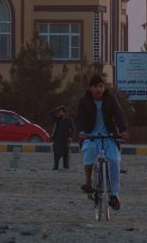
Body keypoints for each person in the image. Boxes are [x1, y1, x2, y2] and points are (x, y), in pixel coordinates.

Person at [75, 74, 129, 211]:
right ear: (90, 88)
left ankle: (114, 195)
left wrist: (123, 130)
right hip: (91, 135)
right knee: (89, 152)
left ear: (104, 87)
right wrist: (81, 132)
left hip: (109, 136)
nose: (98, 89)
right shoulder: (84, 101)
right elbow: (79, 118)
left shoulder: (110, 99)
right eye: (95, 87)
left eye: (101, 86)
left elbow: (119, 114)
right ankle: (88, 181)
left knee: (114, 161)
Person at [50, 106, 75, 171]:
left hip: (65, 140)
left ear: (64, 113)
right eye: (59, 112)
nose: (59, 113)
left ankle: (65, 167)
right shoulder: (57, 119)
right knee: (56, 154)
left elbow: (72, 129)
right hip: (57, 140)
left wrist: (70, 137)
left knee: (65, 155)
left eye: (61, 111)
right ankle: (55, 167)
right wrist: (56, 108)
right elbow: (50, 114)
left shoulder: (68, 120)